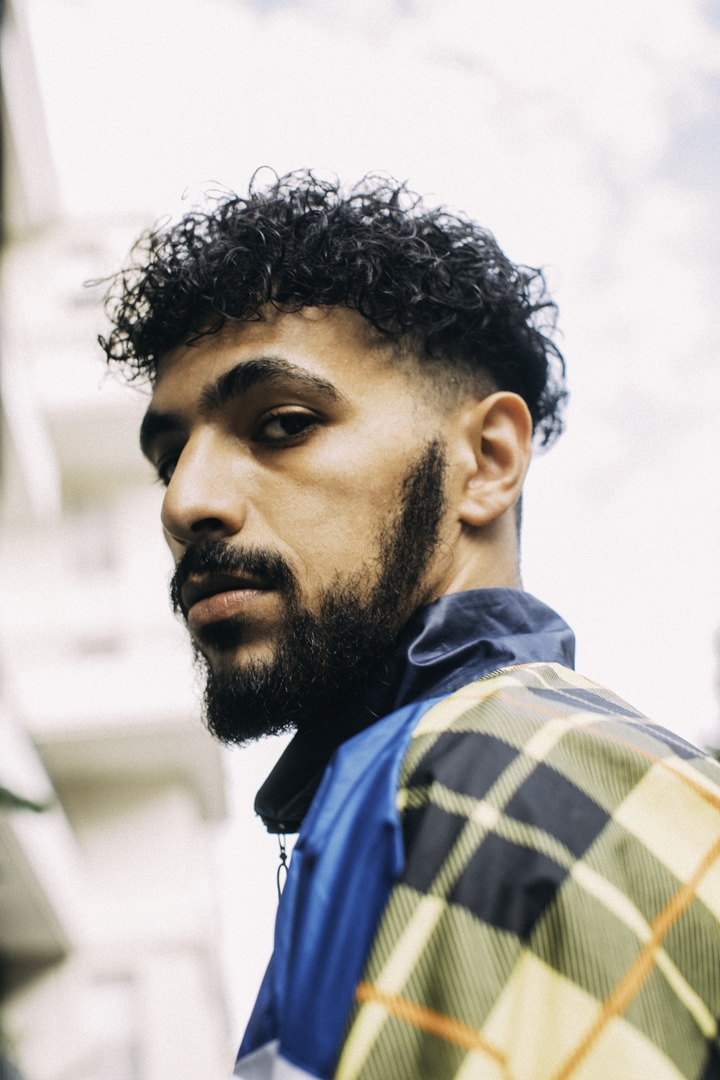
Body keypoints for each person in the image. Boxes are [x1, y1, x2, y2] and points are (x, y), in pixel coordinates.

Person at [102, 172, 720, 1080]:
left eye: (282, 424)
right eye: (169, 459)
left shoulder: (497, 778)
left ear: (487, 461)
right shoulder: (426, 787)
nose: (185, 502)